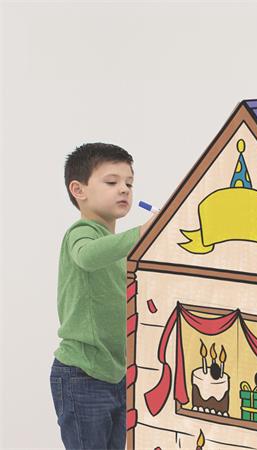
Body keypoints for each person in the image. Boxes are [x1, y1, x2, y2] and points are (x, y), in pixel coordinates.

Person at [49, 143, 157, 450]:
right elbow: (87, 256)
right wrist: (142, 232)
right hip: (82, 373)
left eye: (129, 184)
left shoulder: (117, 248)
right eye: (112, 182)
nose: (123, 189)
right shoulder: (81, 233)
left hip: (117, 374)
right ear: (78, 190)